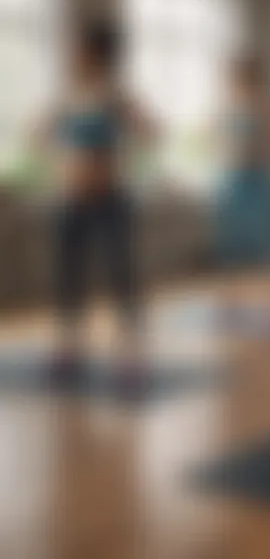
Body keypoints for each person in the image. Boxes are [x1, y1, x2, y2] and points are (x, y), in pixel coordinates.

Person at [36, 20, 155, 385]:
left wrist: (123, 150)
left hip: (110, 200)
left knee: (121, 277)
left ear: (95, 54)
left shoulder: (114, 95)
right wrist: (59, 161)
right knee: (68, 278)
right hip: (71, 199)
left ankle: (131, 356)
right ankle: (70, 350)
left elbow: (149, 131)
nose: (71, 55)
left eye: (77, 49)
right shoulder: (68, 96)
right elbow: (39, 134)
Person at [214, 54, 270, 316]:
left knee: (267, 240)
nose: (237, 81)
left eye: (242, 75)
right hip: (233, 179)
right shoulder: (228, 106)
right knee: (229, 241)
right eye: (234, 76)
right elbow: (220, 138)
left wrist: (263, 150)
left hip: (259, 180)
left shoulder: (265, 106)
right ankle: (229, 295)